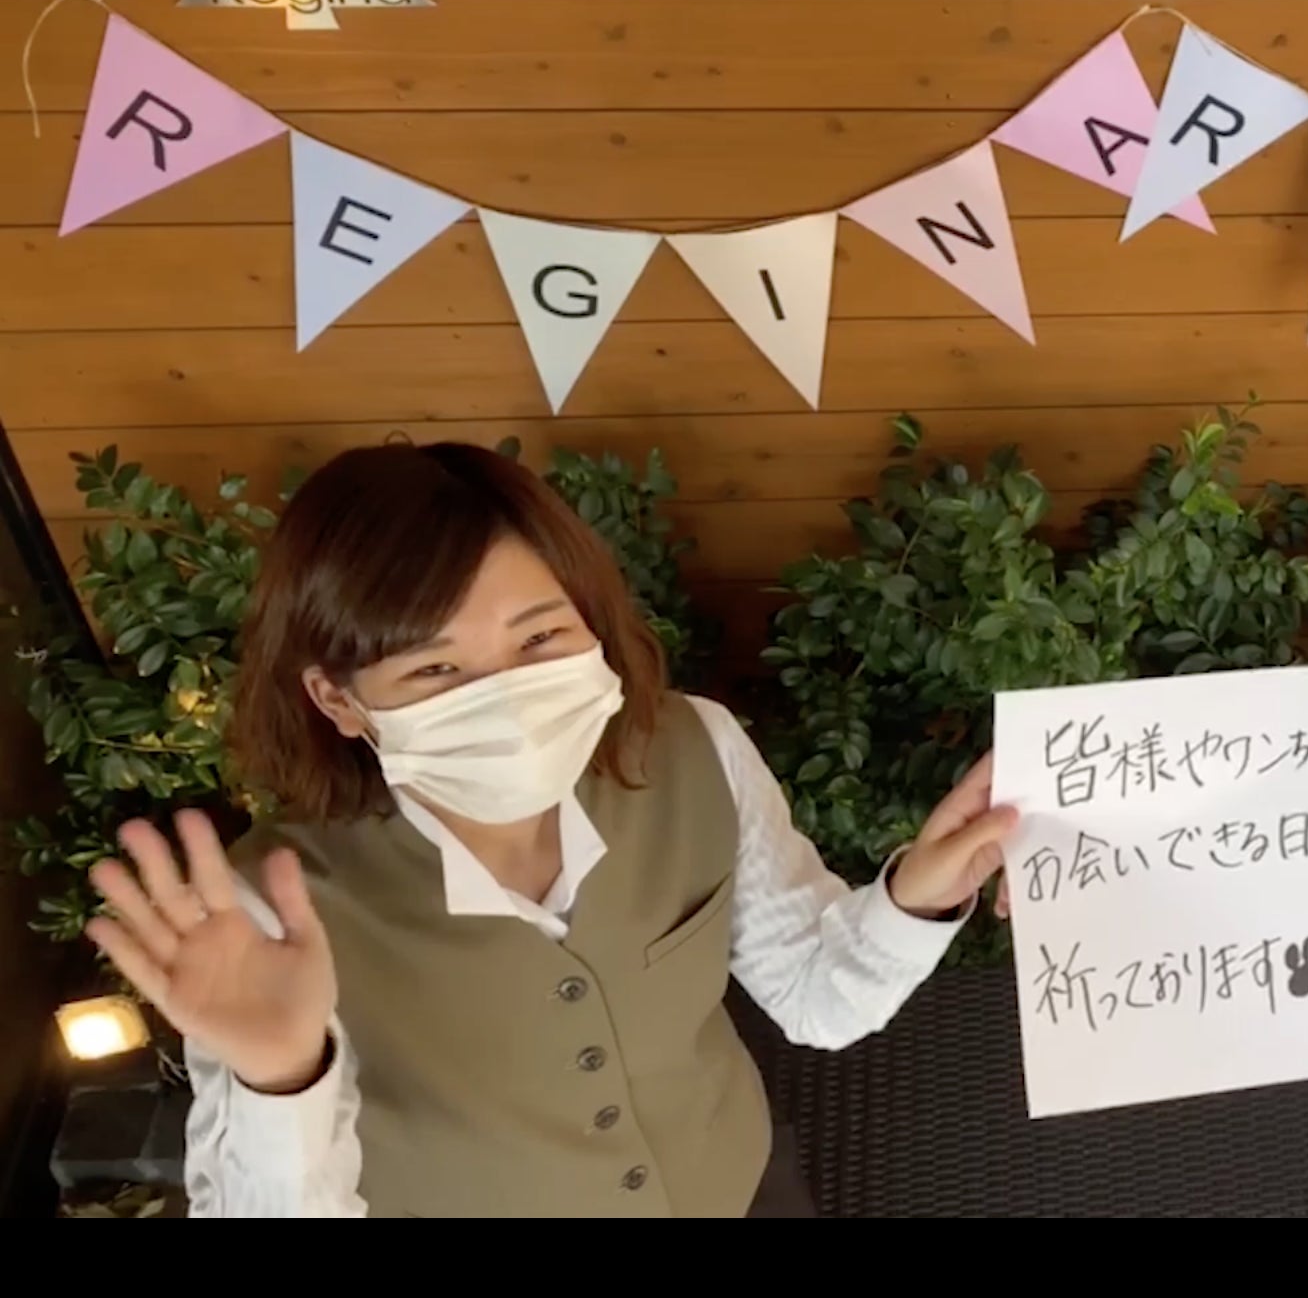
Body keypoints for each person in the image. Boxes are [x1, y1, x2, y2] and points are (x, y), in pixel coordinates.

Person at [80, 443, 1015, 1218]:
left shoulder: (697, 748)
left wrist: (917, 899)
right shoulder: (266, 910)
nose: (510, 699)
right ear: (339, 700)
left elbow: (815, 998)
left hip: (739, 1191)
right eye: (436, 671)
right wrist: (283, 1080)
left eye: (539, 639)